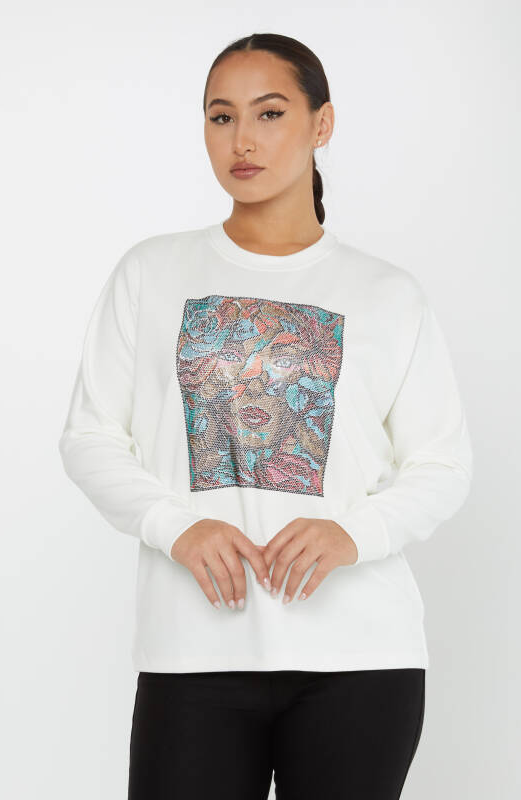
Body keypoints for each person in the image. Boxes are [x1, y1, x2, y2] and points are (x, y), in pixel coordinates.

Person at [58, 32, 473, 800]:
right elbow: (90, 437)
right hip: (193, 655)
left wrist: (352, 534)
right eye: (220, 116)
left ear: (322, 124)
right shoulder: (151, 272)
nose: (241, 140)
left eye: (269, 113)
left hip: (360, 658)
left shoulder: (387, 294)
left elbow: (441, 464)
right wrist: (176, 526)